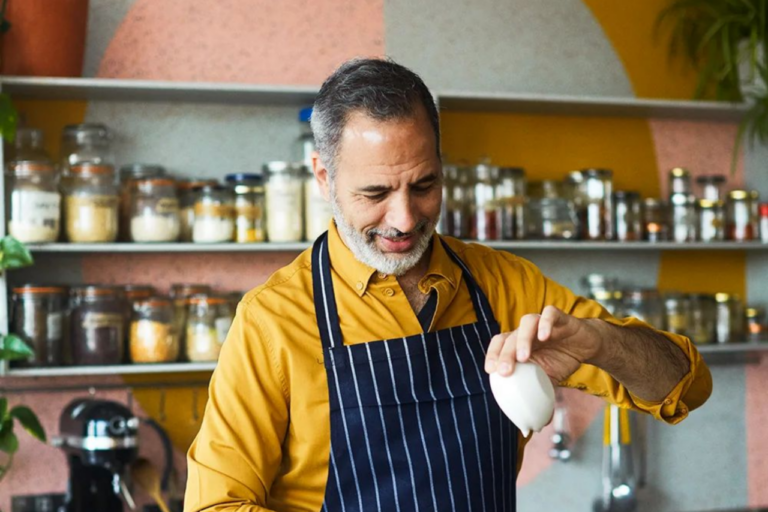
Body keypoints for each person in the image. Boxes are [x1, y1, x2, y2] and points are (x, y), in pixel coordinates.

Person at [184, 58, 712, 512]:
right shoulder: (273, 320)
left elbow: (685, 386)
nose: (405, 217)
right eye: (375, 193)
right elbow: (216, 502)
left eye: (425, 184)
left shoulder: (503, 284)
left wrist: (601, 341)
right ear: (323, 177)